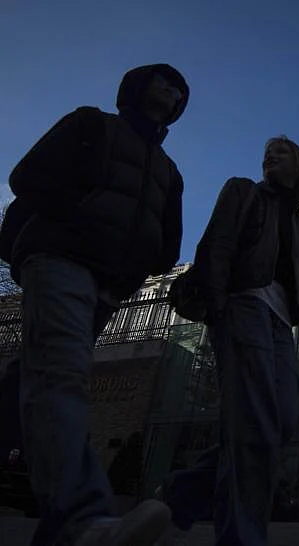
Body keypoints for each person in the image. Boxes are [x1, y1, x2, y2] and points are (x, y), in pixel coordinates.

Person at [0, 64, 188, 546]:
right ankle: (84, 519)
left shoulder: (170, 171)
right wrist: (79, 219)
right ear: (136, 88)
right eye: (162, 81)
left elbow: (169, 246)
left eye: (178, 89)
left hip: (110, 283)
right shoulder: (90, 124)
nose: (170, 90)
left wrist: (138, 264)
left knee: (31, 380)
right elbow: (27, 176)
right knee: (60, 376)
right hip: (59, 258)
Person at [156, 135, 299, 545]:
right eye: (266, 153)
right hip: (242, 307)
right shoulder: (242, 191)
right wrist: (217, 304)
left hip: (280, 324)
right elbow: (217, 246)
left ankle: (178, 497)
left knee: (279, 421)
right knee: (256, 426)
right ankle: (241, 537)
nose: (269, 156)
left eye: (280, 152)